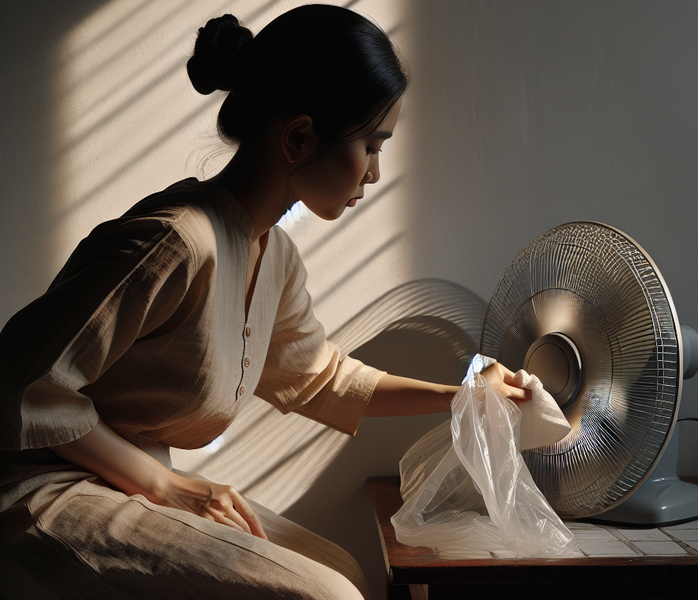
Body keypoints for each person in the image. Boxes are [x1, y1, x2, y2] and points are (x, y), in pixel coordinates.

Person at [0, 5, 527, 599]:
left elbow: (320, 378)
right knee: (330, 597)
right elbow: (21, 385)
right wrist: (165, 486)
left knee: (345, 570)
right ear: (300, 137)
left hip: (122, 484)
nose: (374, 174)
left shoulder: (271, 254)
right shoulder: (174, 241)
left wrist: (465, 397)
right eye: (372, 145)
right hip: (42, 493)